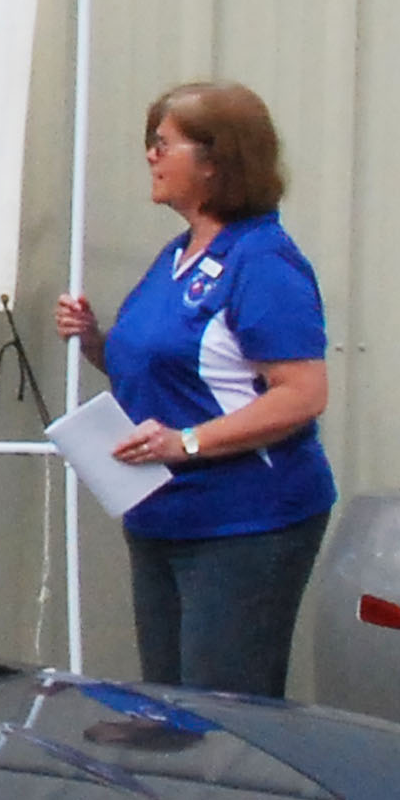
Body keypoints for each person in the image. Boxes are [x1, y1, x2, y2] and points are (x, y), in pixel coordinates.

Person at [54, 79, 337, 697]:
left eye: (164, 144)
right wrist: (96, 340)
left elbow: (301, 394)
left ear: (215, 162)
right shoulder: (179, 253)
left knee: (223, 712)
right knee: (170, 703)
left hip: (243, 523)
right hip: (161, 515)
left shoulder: (261, 262)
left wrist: (185, 442)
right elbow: (173, 374)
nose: (150, 157)